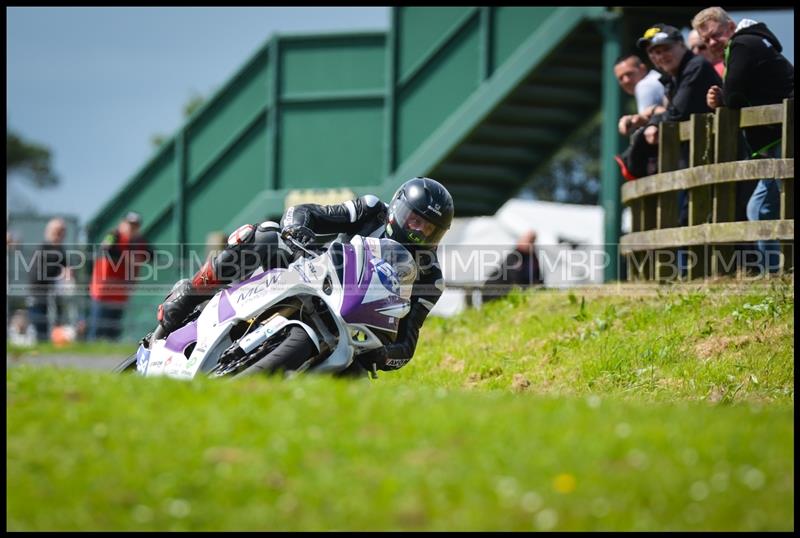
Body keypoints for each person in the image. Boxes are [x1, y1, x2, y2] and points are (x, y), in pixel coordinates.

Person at [156, 177, 454, 374]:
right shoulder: (372, 210)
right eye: (415, 221)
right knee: (263, 235)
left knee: (357, 382)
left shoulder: (431, 278)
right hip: (315, 275)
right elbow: (307, 212)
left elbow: (408, 344)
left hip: (356, 332)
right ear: (398, 210)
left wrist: (383, 356)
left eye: (429, 229)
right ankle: (189, 295)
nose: (418, 232)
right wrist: (297, 229)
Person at [695, 7, 794, 273]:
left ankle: (774, 275)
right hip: (781, 137)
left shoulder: (742, 44)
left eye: (716, 35)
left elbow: (736, 94)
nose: (712, 43)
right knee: (765, 207)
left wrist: (721, 98)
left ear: (731, 26)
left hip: (783, 138)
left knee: (759, 208)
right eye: (706, 41)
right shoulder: (754, 41)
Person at [88, 211, 153, 340]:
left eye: (135, 225)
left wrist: (138, 257)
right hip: (103, 291)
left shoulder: (139, 241)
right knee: (98, 327)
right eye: (129, 224)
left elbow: (152, 255)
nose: (132, 228)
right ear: (122, 224)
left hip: (121, 292)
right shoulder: (113, 235)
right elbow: (106, 249)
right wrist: (129, 258)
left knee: (113, 329)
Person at [27, 218, 72, 342]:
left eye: (62, 232)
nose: (60, 235)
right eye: (57, 231)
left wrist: (66, 273)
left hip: (54, 297)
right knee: (40, 329)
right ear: (49, 232)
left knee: (55, 328)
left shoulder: (61, 251)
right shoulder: (42, 249)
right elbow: (37, 274)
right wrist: (60, 273)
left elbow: (66, 269)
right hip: (39, 296)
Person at [614, 54, 666, 137]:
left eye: (629, 74)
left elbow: (646, 129)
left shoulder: (644, 85)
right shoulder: (655, 78)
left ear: (642, 69)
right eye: (621, 78)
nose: (626, 80)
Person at [484, 230, 543, 301]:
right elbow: (514, 279)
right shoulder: (513, 257)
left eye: (531, 241)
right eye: (527, 240)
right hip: (495, 290)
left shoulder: (533, 258)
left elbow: (538, 277)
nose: (528, 244)